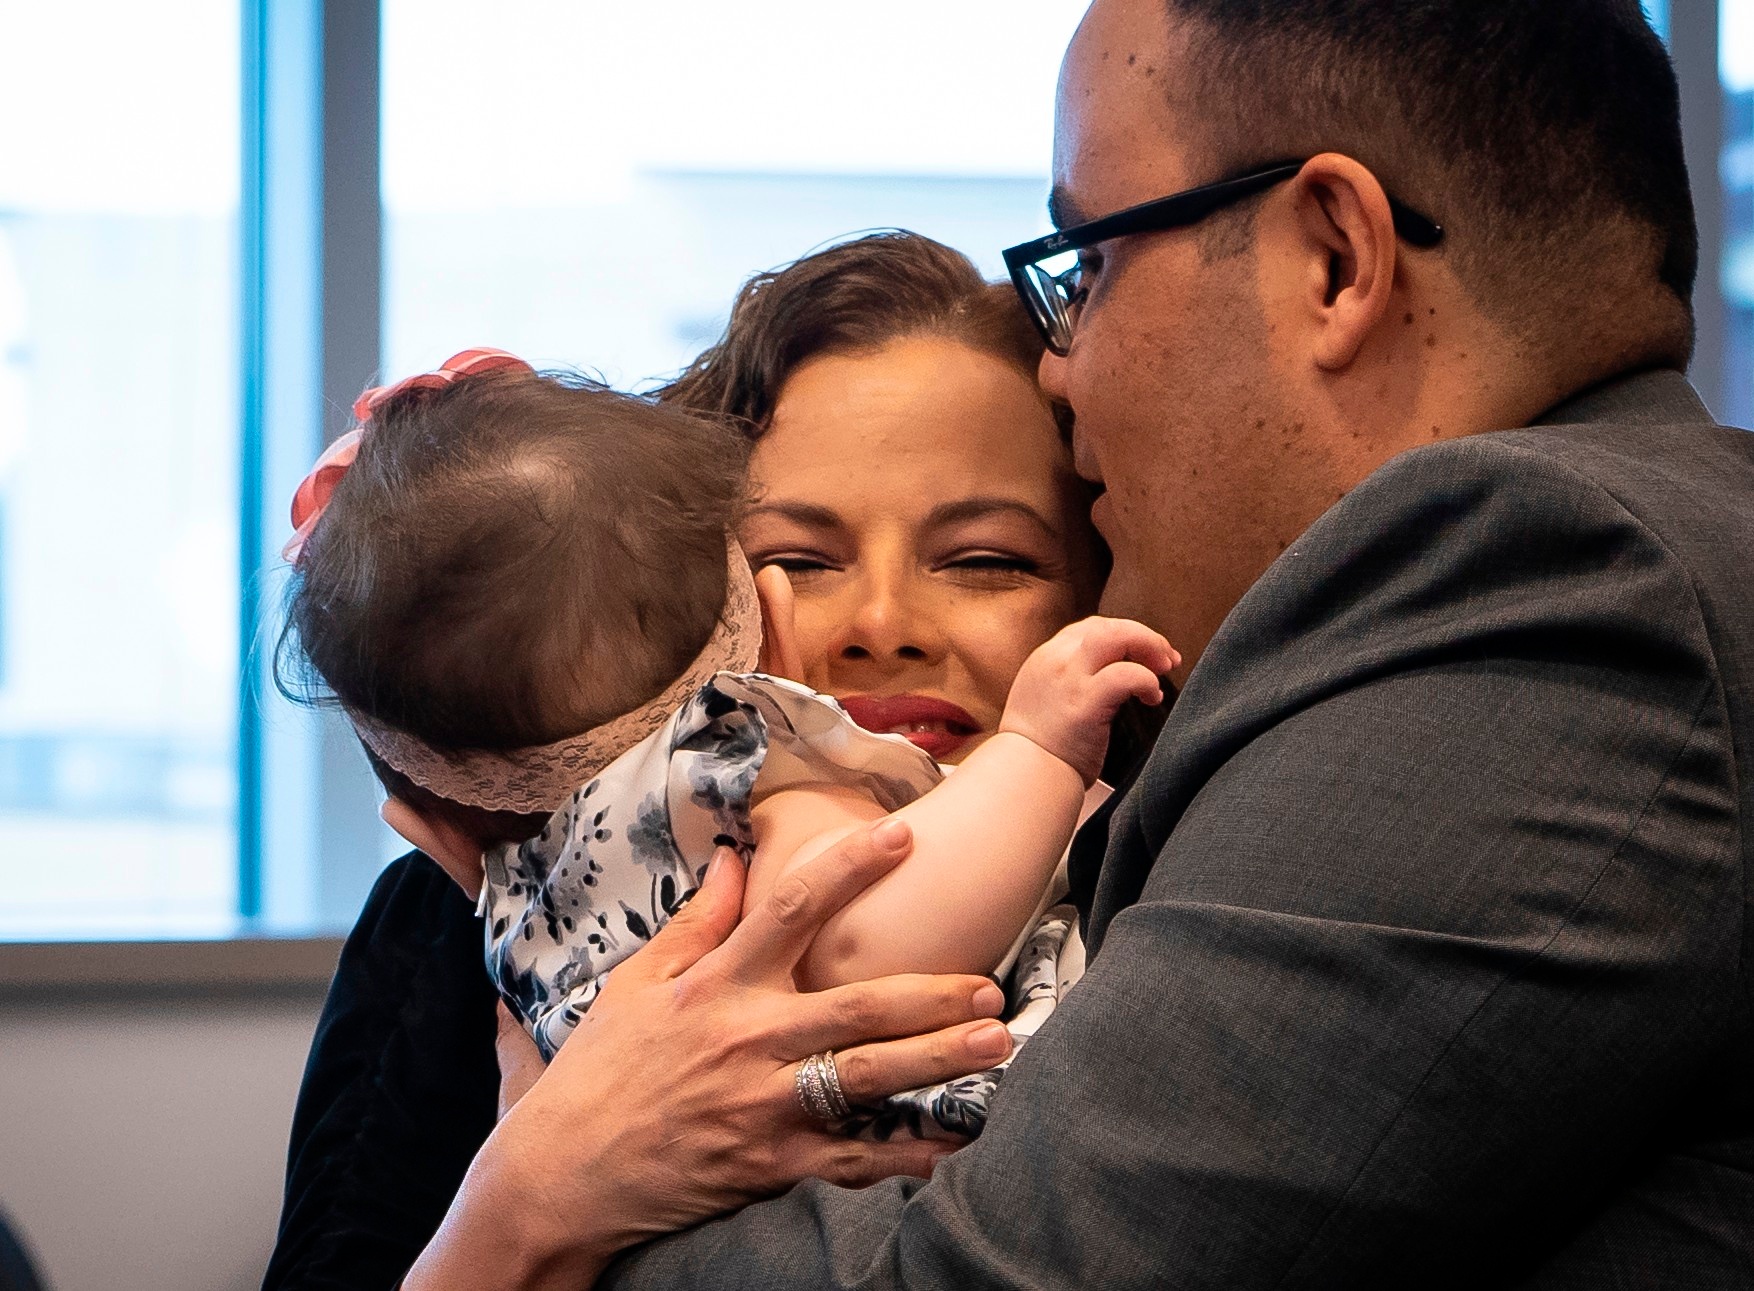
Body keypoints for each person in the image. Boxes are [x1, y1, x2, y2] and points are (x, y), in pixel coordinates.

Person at [391, 0, 1754, 1286]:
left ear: (1334, 258)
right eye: (798, 559)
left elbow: (1005, 1267)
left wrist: (547, 1189)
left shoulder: (1553, 579)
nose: (1061, 361)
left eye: (1088, 265)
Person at [263, 232, 1138, 1288]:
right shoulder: (448, 930)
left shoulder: (1165, 867)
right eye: (798, 560)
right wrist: (530, 1193)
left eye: (985, 559)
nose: (881, 624)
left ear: (1096, 582)